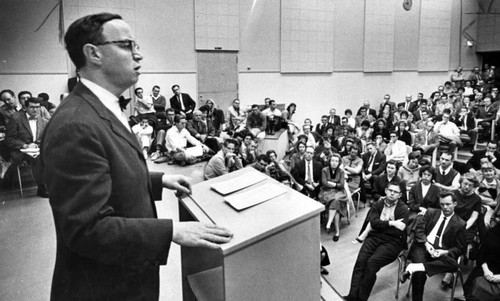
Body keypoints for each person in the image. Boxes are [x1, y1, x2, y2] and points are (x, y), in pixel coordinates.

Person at [41, 14, 234, 300]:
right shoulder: (76, 124)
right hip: (103, 287)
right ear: (93, 53)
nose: (139, 54)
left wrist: (159, 180)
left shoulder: (101, 106)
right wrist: (171, 231)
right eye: (127, 45)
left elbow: (111, 169)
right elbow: (87, 229)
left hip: (125, 275)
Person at [344, 182, 409, 301]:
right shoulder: (377, 205)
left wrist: (380, 224)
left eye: (395, 192)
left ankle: (362, 298)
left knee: (371, 264)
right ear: (385, 190)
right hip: (374, 237)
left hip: (393, 242)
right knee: (360, 263)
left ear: (400, 195)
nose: (392, 193)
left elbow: (398, 231)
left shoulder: (403, 209)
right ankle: (352, 296)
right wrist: (392, 223)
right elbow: (373, 222)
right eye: (390, 190)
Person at [400, 192, 466, 301]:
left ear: (455, 203)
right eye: (442, 204)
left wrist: (444, 252)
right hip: (423, 246)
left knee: (453, 265)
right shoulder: (431, 212)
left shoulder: (460, 224)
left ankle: (413, 267)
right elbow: (419, 230)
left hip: (441, 251)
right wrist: (426, 244)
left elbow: (459, 248)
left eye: (448, 204)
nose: (445, 207)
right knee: (419, 274)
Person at [5, 97, 48, 196]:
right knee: (38, 158)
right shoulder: (16, 119)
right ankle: (42, 188)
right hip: (20, 151)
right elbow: (9, 139)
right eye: (32, 107)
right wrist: (25, 145)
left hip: (37, 149)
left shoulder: (43, 121)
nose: (35, 109)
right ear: (25, 108)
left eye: (37, 107)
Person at [463, 212, 500, 301]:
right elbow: (482, 252)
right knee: (473, 288)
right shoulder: (495, 231)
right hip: (487, 268)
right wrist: (486, 270)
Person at [319, 153, 347, 241]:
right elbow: (324, 183)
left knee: (336, 200)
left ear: (339, 162)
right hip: (326, 192)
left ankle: (329, 222)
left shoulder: (341, 171)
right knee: (336, 204)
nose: (334, 163)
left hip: (339, 192)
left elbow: (342, 185)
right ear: (329, 161)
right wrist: (336, 184)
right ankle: (337, 232)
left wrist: (332, 183)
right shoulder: (324, 170)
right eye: (332, 161)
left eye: (336, 161)